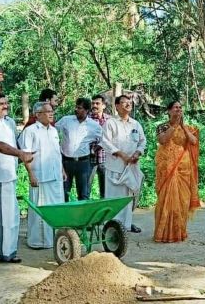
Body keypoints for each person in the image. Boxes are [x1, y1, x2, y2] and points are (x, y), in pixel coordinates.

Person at [0, 91, 34, 263]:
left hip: (8, 175)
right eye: (0, 104)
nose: (6, 106)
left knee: (10, 215)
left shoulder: (7, 122)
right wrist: (20, 154)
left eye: (6, 102)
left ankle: (8, 251)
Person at [19, 102, 65, 248]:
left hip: (55, 176)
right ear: (38, 114)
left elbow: (56, 153)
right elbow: (26, 155)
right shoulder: (30, 131)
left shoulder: (53, 130)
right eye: (47, 111)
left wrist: (62, 170)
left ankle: (53, 240)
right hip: (40, 177)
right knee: (40, 209)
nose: (51, 114)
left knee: (56, 208)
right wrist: (31, 174)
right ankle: (37, 241)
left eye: (52, 111)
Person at [153, 101, 200, 243]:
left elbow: (193, 141)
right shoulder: (162, 126)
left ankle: (179, 232)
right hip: (167, 168)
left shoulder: (188, 128)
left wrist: (183, 127)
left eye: (180, 107)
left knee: (182, 201)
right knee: (165, 200)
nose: (178, 110)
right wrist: (174, 126)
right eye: (175, 108)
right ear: (168, 111)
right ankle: (163, 233)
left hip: (183, 168)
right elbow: (163, 140)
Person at [101, 95, 146, 233]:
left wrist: (137, 153)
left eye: (129, 102)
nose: (128, 104)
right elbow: (105, 142)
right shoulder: (110, 123)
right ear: (117, 106)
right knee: (115, 198)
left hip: (131, 167)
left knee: (129, 197)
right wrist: (122, 155)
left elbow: (142, 141)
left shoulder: (135, 124)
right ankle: (113, 227)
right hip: (115, 167)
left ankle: (126, 225)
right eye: (124, 102)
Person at [57, 97, 102, 201]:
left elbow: (103, 140)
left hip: (83, 162)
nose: (76, 109)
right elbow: (53, 130)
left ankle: (82, 216)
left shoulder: (94, 125)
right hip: (66, 162)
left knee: (83, 193)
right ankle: (65, 216)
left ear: (86, 110)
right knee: (64, 192)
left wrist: (94, 150)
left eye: (80, 108)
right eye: (76, 107)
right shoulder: (66, 120)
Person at [89, 94, 111, 198]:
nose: (94, 105)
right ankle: (86, 212)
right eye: (93, 103)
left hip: (105, 158)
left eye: (97, 103)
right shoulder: (86, 119)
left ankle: (104, 212)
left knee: (106, 189)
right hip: (89, 159)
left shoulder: (110, 120)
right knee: (86, 188)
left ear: (104, 106)